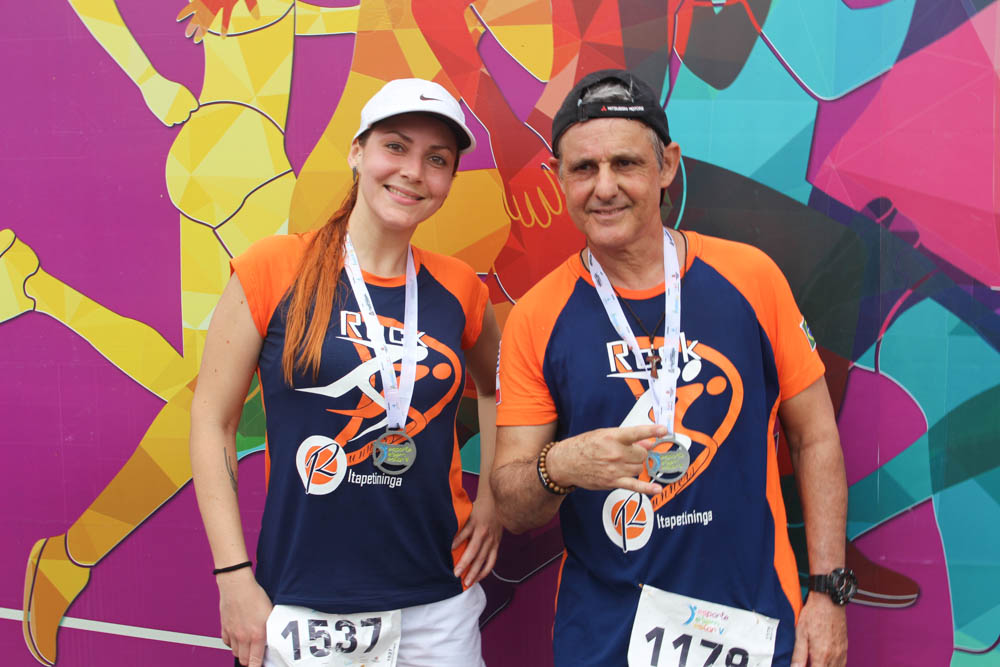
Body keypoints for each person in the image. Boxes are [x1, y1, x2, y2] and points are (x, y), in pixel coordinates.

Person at [491, 69, 852, 667]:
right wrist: (563, 465)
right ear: (559, 179)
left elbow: (814, 437)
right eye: (583, 168)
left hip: (754, 630)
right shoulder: (536, 316)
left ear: (667, 166)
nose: (604, 187)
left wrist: (828, 592)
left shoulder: (751, 277)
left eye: (625, 163)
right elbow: (512, 506)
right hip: (605, 642)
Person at [190, 78, 502, 667]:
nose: (413, 172)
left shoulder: (460, 287)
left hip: (439, 603)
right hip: (303, 602)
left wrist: (491, 499)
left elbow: (496, 388)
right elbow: (213, 422)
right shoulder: (273, 267)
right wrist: (233, 576)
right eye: (395, 146)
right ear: (357, 152)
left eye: (437, 160)